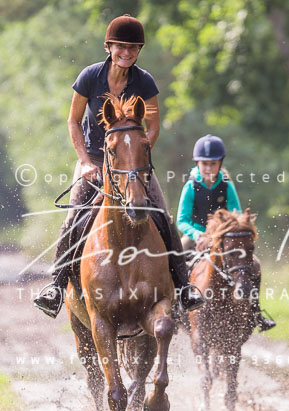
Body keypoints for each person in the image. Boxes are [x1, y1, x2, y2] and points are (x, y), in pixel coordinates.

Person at [34, 14, 204, 318]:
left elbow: (152, 125)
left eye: (134, 48)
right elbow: (73, 121)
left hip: (133, 167)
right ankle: (56, 287)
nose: (127, 53)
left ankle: (184, 285)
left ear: (139, 51)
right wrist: (85, 161)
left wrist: (135, 156)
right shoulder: (89, 77)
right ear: (109, 46)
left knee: (163, 217)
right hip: (95, 163)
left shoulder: (145, 81)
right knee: (74, 218)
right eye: (121, 47)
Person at [176, 134, 276, 331]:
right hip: (195, 235)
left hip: (222, 237)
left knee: (254, 264)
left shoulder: (226, 185)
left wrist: (217, 236)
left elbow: (236, 215)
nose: (208, 168)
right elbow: (182, 219)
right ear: (197, 163)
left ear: (220, 163)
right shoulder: (190, 187)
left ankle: (255, 311)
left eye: (213, 164)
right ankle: (176, 306)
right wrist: (199, 235)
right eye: (204, 164)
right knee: (175, 256)